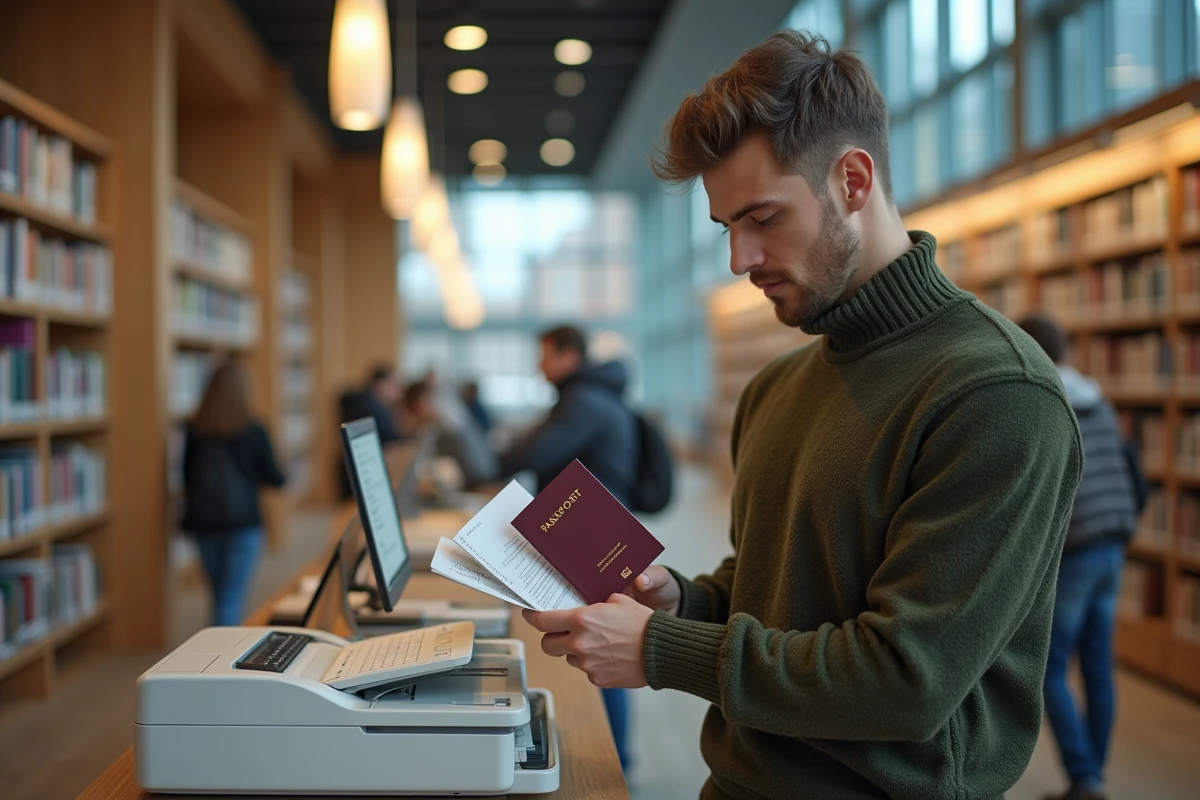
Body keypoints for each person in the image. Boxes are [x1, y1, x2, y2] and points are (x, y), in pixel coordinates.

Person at [520, 31, 1083, 800]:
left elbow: (905, 681)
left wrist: (665, 651)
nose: (738, 260)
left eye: (762, 218)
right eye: (727, 228)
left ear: (853, 179)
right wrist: (683, 600)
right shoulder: (776, 387)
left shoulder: (997, 396)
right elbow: (782, 593)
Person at [498, 324, 638, 772]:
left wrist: (505, 449)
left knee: (604, 646)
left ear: (568, 357)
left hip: (596, 541)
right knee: (603, 643)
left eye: (545, 355)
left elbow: (534, 454)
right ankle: (620, 754)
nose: (540, 365)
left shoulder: (582, 401)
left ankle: (617, 759)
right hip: (600, 532)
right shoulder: (593, 395)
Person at [1019, 313, 1142, 800]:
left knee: (1047, 666)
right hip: (1115, 541)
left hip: (1078, 548)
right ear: (1066, 349)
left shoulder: (1043, 397)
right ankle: (1092, 777)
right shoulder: (1100, 399)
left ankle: (1084, 778)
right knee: (1097, 666)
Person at [181, 362, 286, 626]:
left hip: (202, 522)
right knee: (231, 596)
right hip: (242, 522)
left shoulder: (195, 428)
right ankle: (221, 657)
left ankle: (214, 644)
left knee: (219, 593)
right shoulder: (253, 429)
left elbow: (186, 475)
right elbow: (275, 478)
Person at [337, 365, 403, 498]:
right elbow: (391, 439)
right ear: (380, 384)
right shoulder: (373, 408)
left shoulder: (367, 403)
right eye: (393, 385)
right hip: (362, 472)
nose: (396, 391)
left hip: (352, 468)